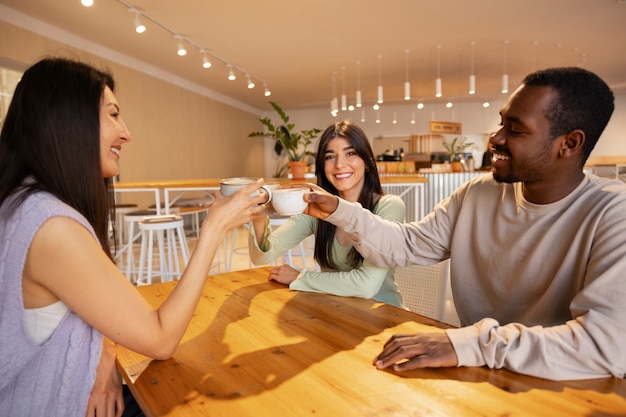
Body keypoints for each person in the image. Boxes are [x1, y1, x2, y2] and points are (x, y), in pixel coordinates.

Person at [301, 67, 626, 381]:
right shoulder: (478, 192)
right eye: (501, 124)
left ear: (569, 144)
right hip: (477, 369)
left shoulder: (614, 212)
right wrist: (341, 210)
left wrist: (469, 344)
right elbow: (406, 245)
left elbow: (604, 346)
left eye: (515, 129)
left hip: (565, 384)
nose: (495, 139)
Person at [0, 57, 267, 416]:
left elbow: (96, 303)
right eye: (112, 114)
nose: (126, 132)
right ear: (69, 120)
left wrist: (106, 354)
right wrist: (214, 227)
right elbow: (160, 339)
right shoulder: (51, 225)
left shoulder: (22, 203)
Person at [248, 120, 406, 308]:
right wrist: (258, 216)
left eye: (350, 153)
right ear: (323, 166)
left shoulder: (388, 207)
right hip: (335, 312)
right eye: (330, 157)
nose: (340, 164)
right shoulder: (316, 209)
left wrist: (300, 277)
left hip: (385, 317)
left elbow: (367, 286)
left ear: (367, 162)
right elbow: (262, 257)